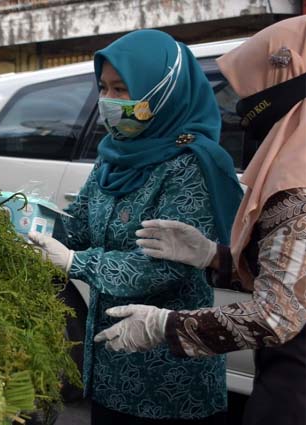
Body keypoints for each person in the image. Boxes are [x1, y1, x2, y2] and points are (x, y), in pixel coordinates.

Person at [93, 16, 306, 425]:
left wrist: (165, 325)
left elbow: (278, 315)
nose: (242, 110)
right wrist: (216, 257)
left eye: (252, 95)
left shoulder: (295, 185)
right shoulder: (110, 156)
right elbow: (293, 278)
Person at [28, 29, 243, 424]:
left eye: (121, 89)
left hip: (169, 372)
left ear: (161, 91)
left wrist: (76, 262)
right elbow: (81, 229)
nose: (108, 102)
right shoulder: (113, 156)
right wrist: (32, 224)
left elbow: (163, 266)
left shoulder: (193, 164)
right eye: (103, 88)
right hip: (110, 362)